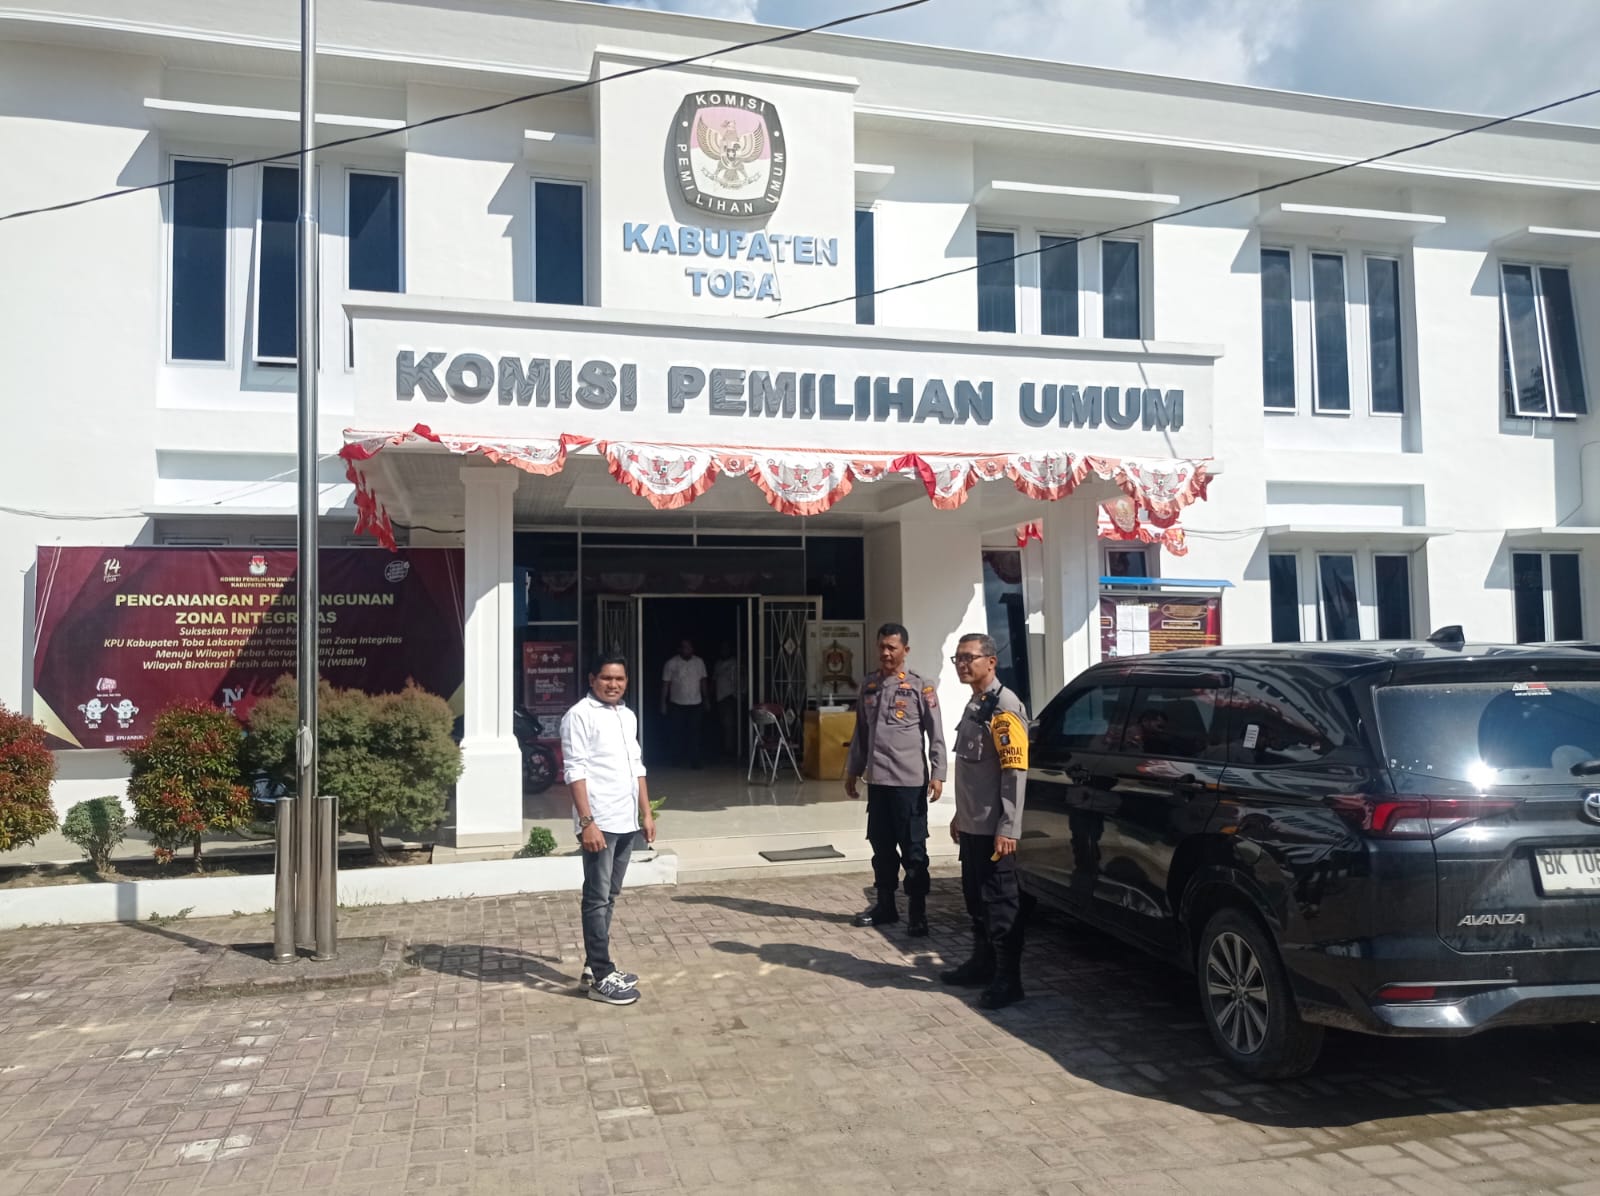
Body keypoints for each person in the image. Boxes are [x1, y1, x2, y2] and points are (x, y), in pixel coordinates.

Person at [561, 654, 657, 1006]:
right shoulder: (579, 716)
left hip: (625, 819)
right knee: (596, 897)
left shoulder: (627, 716)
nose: (613, 685)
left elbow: (637, 767)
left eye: (619, 679)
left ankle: (593, 967)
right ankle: (602, 976)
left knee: (610, 895)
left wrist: (646, 813)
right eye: (606, 678)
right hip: (599, 822)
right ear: (592, 679)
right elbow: (574, 771)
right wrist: (587, 822)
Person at [941, 631, 1030, 1009]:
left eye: (968, 658)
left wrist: (1008, 827)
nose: (961, 665)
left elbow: (1014, 772)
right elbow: (973, 771)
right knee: (976, 900)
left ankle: (1009, 980)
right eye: (958, 658)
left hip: (995, 830)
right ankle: (982, 964)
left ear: (991, 662)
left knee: (1000, 903)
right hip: (973, 825)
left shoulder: (1004, 707)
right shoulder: (976, 703)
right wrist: (960, 814)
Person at [844, 622, 947, 936]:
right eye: (882, 647)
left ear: (906, 650)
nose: (886, 653)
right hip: (878, 781)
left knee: (914, 850)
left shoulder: (920, 686)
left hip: (909, 784)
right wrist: (852, 770)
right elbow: (861, 733)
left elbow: (936, 733)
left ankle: (917, 913)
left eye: (892, 647)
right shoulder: (869, 685)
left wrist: (938, 773)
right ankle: (885, 906)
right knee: (882, 847)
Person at [660, 638, 710, 768]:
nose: (687, 650)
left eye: (689, 647)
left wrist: (706, 699)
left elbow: (703, 682)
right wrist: (663, 702)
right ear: (679, 649)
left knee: (695, 733)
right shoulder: (671, 663)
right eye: (685, 647)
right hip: (677, 703)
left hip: (696, 702)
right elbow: (666, 684)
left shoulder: (699, 662)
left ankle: (695, 761)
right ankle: (676, 759)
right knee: (676, 732)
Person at [713, 642, 742, 758]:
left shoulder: (735, 662)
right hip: (719, 698)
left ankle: (729, 750)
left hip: (730, 696)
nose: (724, 651)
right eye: (722, 649)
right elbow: (714, 680)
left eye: (726, 649)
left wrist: (740, 693)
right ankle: (724, 748)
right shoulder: (718, 664)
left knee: (729, 725)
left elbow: (741, 678)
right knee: (723, 725)